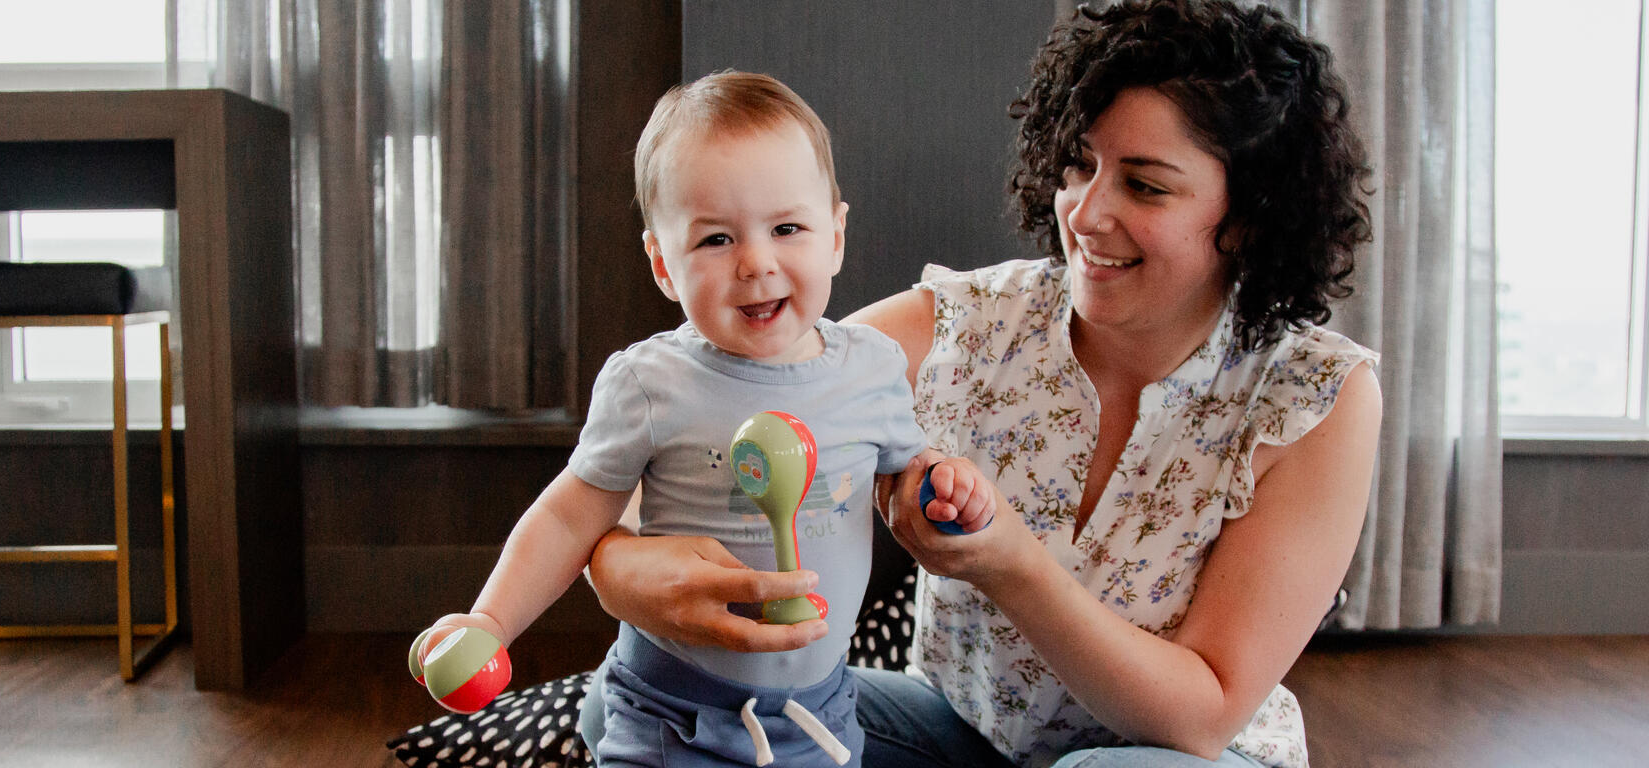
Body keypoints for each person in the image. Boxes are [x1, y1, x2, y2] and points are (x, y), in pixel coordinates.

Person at [581, 2, 1382, 767]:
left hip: (1184, 757)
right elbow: (692, 426)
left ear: (1248, 214)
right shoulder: (971, 322)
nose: (1084, 213)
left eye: (1144, 185)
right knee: (646, 710)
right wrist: (619, 571)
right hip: (962, 740)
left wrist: (1008, 563)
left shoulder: (1316, 397)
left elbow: (1203, 717)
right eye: (1080, 165)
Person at [422, 70, 996, 768]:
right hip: (673, 711)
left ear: (835, 237)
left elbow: (909, 471)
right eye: (716, 239)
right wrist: (490, 619)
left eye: (787, 228)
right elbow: (570, 518)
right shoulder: (650, 384)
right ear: (663, 264)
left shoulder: (872, 369)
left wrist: (947, 483)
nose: (756, 263)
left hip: (820, 711)